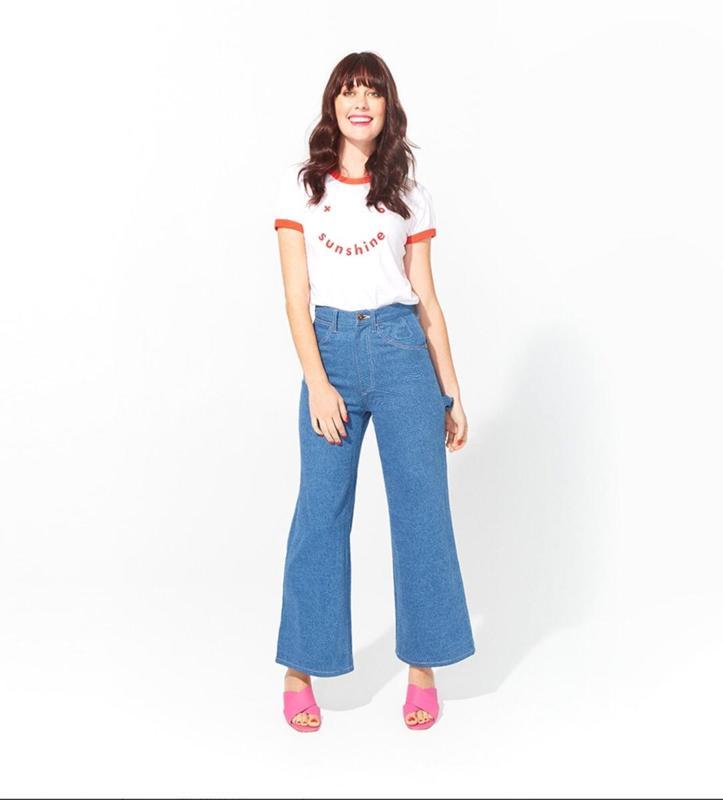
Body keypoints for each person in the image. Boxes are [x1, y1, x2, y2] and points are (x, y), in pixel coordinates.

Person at [273, 51, 475, 733]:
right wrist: (317, 382)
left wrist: (451, 391)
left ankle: (423, 668)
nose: (360, 102)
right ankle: (300, 668)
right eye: (348, 91)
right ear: (332, 105)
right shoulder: (301, 190)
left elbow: (427, 301)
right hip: (329, 351)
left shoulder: (409, 195)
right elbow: (295, 297)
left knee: (422, 512)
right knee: (319, 514)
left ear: (388, 108)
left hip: (401, 354)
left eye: (373, 92)